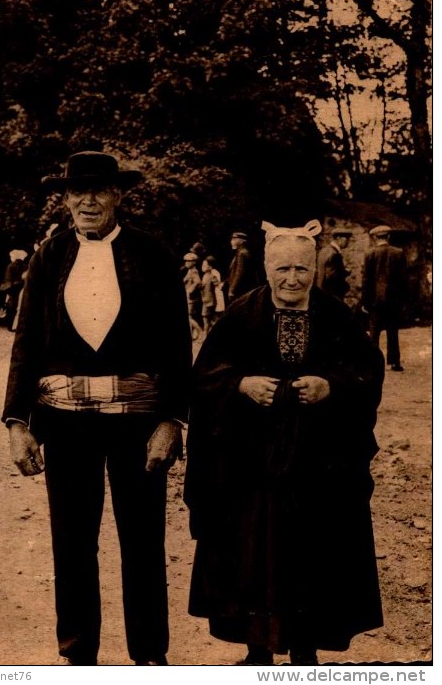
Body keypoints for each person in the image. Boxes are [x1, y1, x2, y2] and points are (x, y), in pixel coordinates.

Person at [2, 151, 191, 666]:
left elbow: (178, 344)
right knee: (72, 542)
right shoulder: (48, 256)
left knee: (143, 541)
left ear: (118, 196)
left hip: (138, 422)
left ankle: (150, 654)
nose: (87, 200)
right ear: (65, 200)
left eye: (99, 190)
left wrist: (173, 420)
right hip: (65, 425)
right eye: (76, 191)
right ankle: (77, 652)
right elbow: (27, 343)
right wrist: (18, 422)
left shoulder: (153, 255)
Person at [185, 220, 384, 666]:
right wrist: (241, 384)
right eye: (282, 270)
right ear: (266, 269)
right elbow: (205, 376)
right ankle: (257, 651)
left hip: (318, 465)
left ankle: (305, 650)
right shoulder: (239, 314)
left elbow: (367, 372)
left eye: (301, 269)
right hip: (251, 464)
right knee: (254, 553)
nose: (292, 279)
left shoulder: (337, 316)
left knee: (313, 554)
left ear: (315, 270)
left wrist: (330, 386)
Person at [362, 225, 408, 372]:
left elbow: (366, 280)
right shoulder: (398, 253)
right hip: (393, 300)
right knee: (393, 332)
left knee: (374, 332)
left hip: (375, 300)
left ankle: (372, 363)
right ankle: (395, 363)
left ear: (376, 238)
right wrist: (402, 300)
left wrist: (365, 301)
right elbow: (403, 280)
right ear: (388, 237)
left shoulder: (370, 254)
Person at [316, 228, 352, 300]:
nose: (348, 242)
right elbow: (332, 277)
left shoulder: (324, 250)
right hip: (332, 294)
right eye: (346, 239)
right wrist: (345, 274)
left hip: (321, 290)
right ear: (338, 238)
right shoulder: (334, 254)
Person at [0, 249, 28, 330]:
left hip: (12, 289)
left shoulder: (11, 266)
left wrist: (5, 287)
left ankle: (10, 325)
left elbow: (8, 278)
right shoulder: (26, 266)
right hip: (22, 288)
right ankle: (18, 325)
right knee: (20, 307)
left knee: (10, 307)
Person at [226, 231, 258, 303]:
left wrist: (232, 290)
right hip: (242, 288)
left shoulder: (242, 253)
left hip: (241, 289)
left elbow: (239, 273)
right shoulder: (240, 252)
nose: (232, 241)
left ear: (241, 241)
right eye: (232, 239)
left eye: (234, 239)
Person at [183, 251, 203, 340]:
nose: (186, 262)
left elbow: (198, 282)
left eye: (188, 261)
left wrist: (190, 290)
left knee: (189, 317)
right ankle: (193, 335)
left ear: (193, 262)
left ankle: (200, 332)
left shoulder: (194, 271)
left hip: (191, 298)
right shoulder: (190, 271)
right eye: (186, 261)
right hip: (189, 297)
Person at [200, 256, 219, 336]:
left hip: (208, 301)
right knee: (211, 318)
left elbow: (216, 283)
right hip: (207, 300)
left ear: (210, 267)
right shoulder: (205, 276)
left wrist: (214, 278)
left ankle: (205, 335)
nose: (202, 267)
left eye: (205, 265)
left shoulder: (209, 276)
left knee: (206, 319)